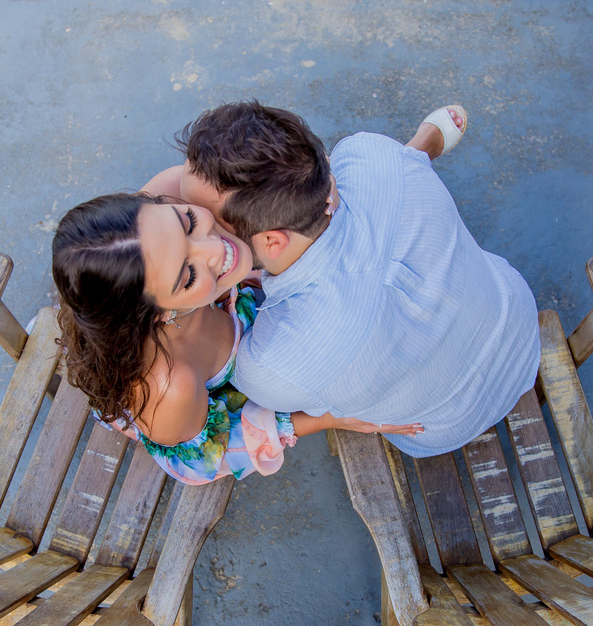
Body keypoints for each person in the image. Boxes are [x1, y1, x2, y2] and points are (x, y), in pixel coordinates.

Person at [147, 102, 540, 458]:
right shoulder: (369, 152)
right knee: (398, 170)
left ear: (271, 241)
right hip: (515, 313)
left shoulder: (266, 366)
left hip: (444, 424)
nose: (203, 238)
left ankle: (417, 154)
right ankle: (418, 152)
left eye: (208, 223)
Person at [51, 194, 423, 485]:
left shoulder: (161, 209)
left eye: (188, 222)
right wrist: (328, 418)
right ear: (160, 315)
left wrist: (320, 187)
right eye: (187, 275)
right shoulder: (172, 385)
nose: (216, 248)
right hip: (188, 411)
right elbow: (208, 459)